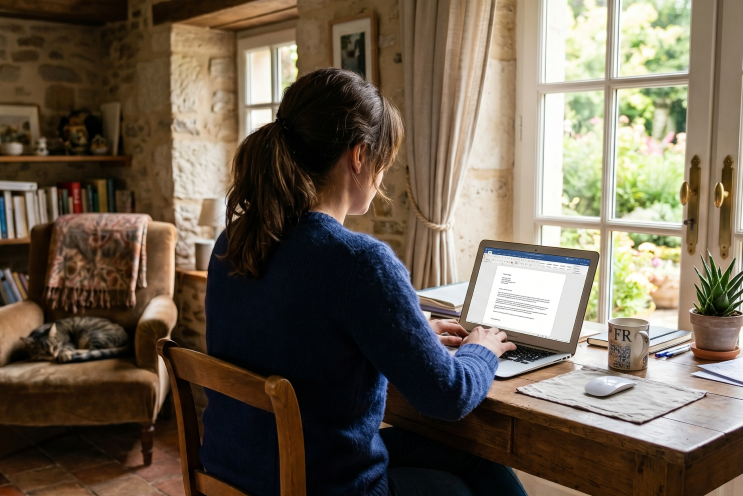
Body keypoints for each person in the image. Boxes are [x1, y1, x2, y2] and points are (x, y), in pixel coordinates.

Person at [202, 67, 527, 496]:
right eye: (384, 162)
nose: (381, 178)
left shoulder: (236, 240)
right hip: (327, 485)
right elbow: (448, 397)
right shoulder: (359, 262)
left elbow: (293, 334)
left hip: (241, 469)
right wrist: (481, 350)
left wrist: (407, 335)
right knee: (467, 483)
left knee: (473, 459)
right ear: (359, 156)